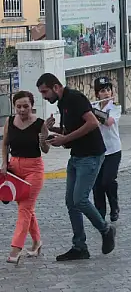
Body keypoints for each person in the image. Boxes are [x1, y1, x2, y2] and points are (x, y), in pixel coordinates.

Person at [36, 73, 116, 261]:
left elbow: (93, 122)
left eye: (45, 91)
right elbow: (71, 130)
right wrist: (52, 130)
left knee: (80, 199)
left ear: (56, 87)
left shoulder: (75, 98)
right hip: (77, 156)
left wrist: (65, 138)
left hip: (91, 155)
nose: (44, 96)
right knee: (71, 202)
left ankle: (106, 230)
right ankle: (79, 246)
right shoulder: (62, 103)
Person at [1, 91, 50, 264]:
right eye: (18, 107)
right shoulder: (9, 121)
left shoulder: (40, 123)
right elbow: (5, 143)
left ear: (32, 106)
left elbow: (45, 149)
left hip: (34, 169)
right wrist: (4, 164)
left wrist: (43, 139)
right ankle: (37, 242)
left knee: (24, 209)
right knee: (26, 208)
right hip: (15, 168)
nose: (22, 110)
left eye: (25, 106)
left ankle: (16, 248)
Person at [91, 77, 122, 223]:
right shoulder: (94, 107)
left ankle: (114, 206)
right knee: (97, 184)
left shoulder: (115, 106)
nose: (107, 93)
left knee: (108, 181)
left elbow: (109, 122)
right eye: (103, 91)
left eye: (108, 90)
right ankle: (100, 213)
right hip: (97, 151)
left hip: (113, 150)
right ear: (97, 94)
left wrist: (93, 112)